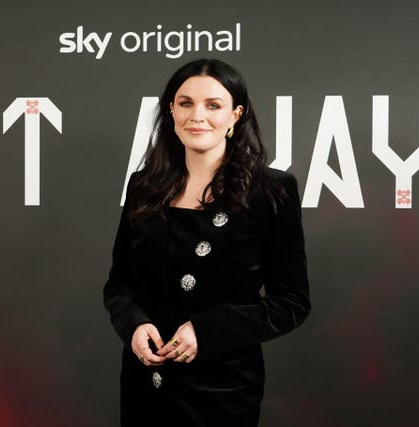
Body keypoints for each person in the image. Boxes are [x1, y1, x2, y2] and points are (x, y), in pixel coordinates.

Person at [103, 58, 310, 426]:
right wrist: (134, 325)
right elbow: (119, 285)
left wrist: (209, 330)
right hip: (146, 388)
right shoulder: (144, 186)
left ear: (235, 115)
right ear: (170, 111)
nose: (197, 115)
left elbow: (292, 302)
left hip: (222, 394)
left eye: (213, 105)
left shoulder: (272, 192)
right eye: (185, 103)